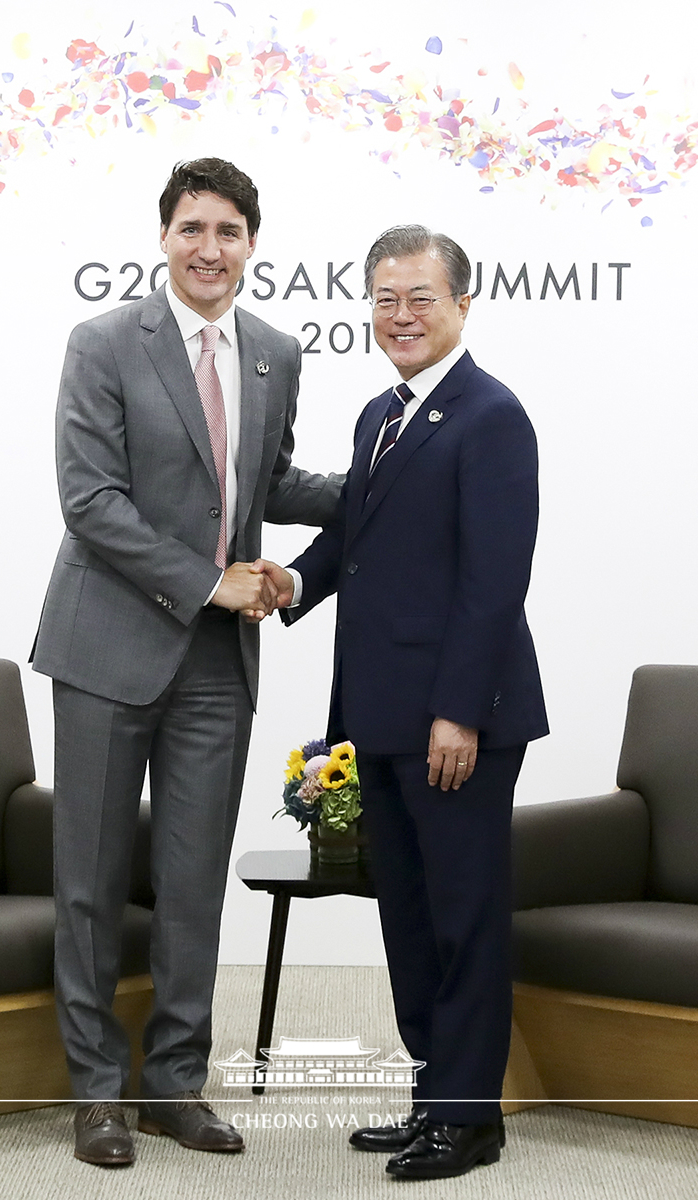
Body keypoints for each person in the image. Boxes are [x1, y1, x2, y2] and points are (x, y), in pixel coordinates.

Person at [31, 157, 342, 1166]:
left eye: (229, 231)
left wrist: (381, 477)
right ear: (163, 238)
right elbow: (91, 502)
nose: (210, 248)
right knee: (91, 878)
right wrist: (208, 581)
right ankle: (96, 1097)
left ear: (253, 243)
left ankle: (173, 1087)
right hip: (106, 645)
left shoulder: (273, 353)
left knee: (192, 878)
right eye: (191, 228)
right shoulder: (104, 343)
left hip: (217, 663)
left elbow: (264, 480)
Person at [258, 226, 548, 1181]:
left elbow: (494, 582)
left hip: (452, 721)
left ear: (464, 304)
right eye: (385, 298)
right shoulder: (380, 414)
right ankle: (434, 1101)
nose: (401, 316)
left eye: (421, 297)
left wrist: (458, 711)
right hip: (379, 715)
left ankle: (473, 1120)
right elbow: (355, 542)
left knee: (464, 917)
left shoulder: (490, 415)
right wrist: (292, 584)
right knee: (411, 920)